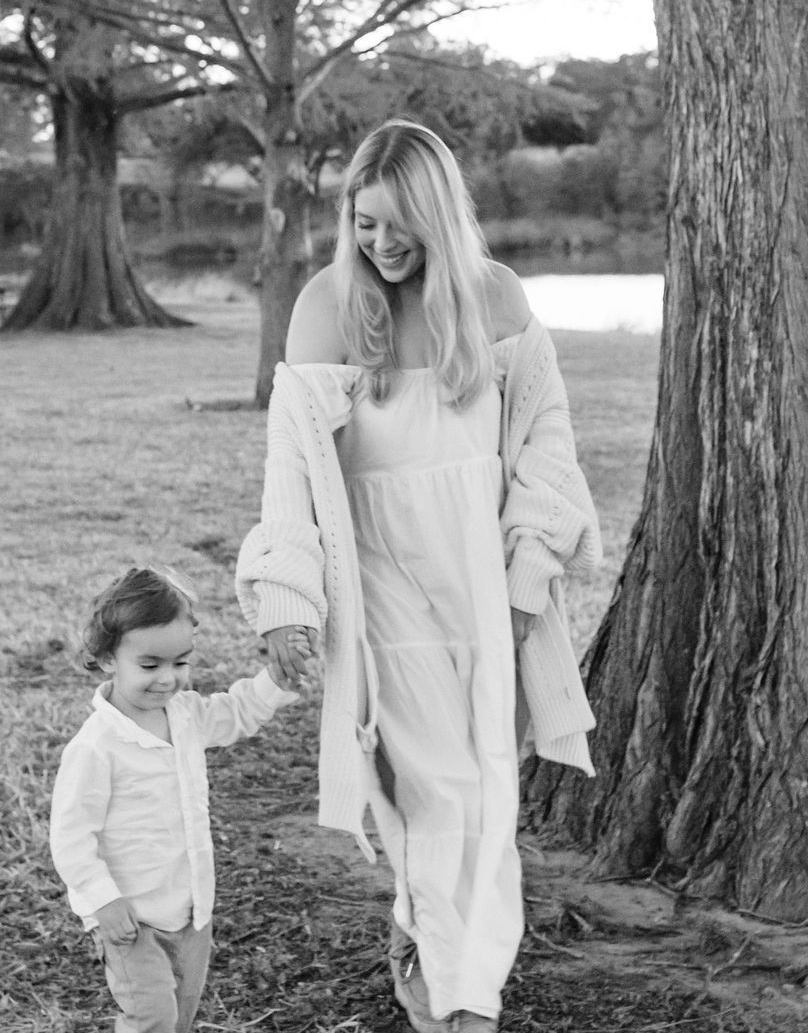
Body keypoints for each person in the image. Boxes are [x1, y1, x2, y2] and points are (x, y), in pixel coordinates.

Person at [236, 120, 602, 1033]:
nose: (380, 244)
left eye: (399, 225)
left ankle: (433, 945)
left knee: (487, 787)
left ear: (439, 215)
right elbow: (291, 467)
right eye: (364, 224)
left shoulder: (495, 297)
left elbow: (546, 446)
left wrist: (528, 576)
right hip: (380, 586)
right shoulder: (326, 306)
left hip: (484, 581)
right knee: (437, 788)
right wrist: (286, 599)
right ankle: (461, 995)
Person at [50, 566, 307, 1033]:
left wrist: (276, 678)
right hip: (131, 917)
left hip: (191, 909)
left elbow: (238, 711)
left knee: (180, 1017)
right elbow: (71, 837)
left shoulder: (185, 714)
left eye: (180, 662)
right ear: (107, 659)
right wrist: (103, 901)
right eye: (150, 666)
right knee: (152, 1018)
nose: (168, 679)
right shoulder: (97, 746)